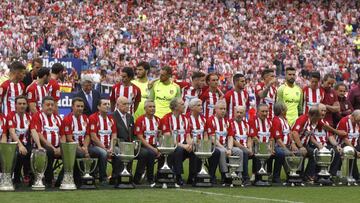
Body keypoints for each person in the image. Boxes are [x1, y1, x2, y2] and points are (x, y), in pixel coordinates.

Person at [291, 105, 345, 183]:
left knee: (315, 153)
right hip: (295, 143)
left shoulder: (316, 120)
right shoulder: (302, 119)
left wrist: (336, 132)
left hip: (304, 144)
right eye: (319, 116)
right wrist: (300, 146)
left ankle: (309, 175)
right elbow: (294, 133)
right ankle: (299, 176)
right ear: (314, 115)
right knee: (305, 153)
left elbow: (325, 127)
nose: (319, 119)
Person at [205, 100, 243, 184]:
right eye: (221, 109)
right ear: (215, 109)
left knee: (239, 151)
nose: (223, 111)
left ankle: (238, 173)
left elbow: (230, 137)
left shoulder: (227, 121)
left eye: (224, 109)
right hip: (213, 145)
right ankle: (225, 174)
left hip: (226, 145)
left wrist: (229, 148)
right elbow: (212, 138)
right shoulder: (210, 120)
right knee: (222, 151)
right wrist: (224, 148)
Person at [160, 97, 195, 186]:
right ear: (175, 107)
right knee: (179, 150)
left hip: (183, 144)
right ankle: (178, 175)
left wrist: (190, 144)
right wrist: (183, 146)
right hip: (170, 145)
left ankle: (192, 177)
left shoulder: (185, 119)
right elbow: (168, 137)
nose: (184, 106)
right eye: (182, 104)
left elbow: (187, 136)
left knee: (195, 149)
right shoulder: (166, 118)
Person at [6, 96, 41, 185]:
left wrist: (39, 146)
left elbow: (33, 131)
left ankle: (30, 177)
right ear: (16, 105)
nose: (22, 106)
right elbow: (12, 132)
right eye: (20, 104)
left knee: (34, 153)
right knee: (19, 153)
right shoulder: (11, 115)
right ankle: (16, 178)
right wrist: (20, 145)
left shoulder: (29, 117)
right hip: (13, 144)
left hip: (26, 143)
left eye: (24, 104)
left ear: (27, 105)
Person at [29, 96, 62, 187]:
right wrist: (53, 147)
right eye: (48, 105)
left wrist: (61, 147)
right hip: (42, 146)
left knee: (74, 152)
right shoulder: (37, 116)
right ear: (42, 106)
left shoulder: (58, 118)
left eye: (52, 105)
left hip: (58, 147)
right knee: (49, 152)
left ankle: (62, 180)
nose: (50, 107)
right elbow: (39, 135)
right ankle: (48, 180)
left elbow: (63, 135)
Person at [187, 98, 220, 184]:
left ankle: (211, 175)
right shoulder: (186, 118)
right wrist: (195, 143)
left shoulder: (204, 119)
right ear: (192, 107)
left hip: (202, 143)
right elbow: (187, 135)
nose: (201, 107)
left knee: (216, 152)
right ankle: (193, 176)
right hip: (190, 143)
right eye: (199, 105)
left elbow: (206, 134)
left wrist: (205, 144)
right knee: (195, 150)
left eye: (201, 105)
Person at [249, 103, 283, 183]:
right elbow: (253, 137)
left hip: (267, 146)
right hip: (256, 145)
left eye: (266, 111)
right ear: (257, 112)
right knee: (260, 152)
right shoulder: (252, 120)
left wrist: (270, 147)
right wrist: (264, 147)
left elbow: (271, 137)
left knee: (280, 154)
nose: (265, 113)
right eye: (262, 111)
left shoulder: (269, 122)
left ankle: (274, 176)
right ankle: (257, 176)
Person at [60, 97, 90, 186]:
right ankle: (78, 179)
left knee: (100, 153)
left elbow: (88, 135)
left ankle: (98, 178)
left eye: (82, 106)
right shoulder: (67, 119)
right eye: (78, 106)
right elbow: (69, 138)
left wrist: (85, 147)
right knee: (79, 154)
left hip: (84, 146)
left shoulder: (85, 118)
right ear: (72, 107)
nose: (80, 108)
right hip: (71, 147)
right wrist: (81, 149)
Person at [88, 98, 117, 185]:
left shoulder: (111, 119)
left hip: (109, 146)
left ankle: (115, 177)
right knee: (103, 153)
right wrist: (105, 149)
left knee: (119, 152)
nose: (107, 106)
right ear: (98, 107)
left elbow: (114, 135)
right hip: (94, 147)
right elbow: (93, 137)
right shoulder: (93, 118)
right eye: (104, 104)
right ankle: (103, 178)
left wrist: (111, 147)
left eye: (108, 104)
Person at [133, 99, 160, 187]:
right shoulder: (140, 120)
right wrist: (153, 149)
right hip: (142, 146)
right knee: (149, 153)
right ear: (145, 108)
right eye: (150, 107)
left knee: (167, 153)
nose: (152, 108)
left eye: (154, 107)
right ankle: (147, 178)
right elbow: (140, 138)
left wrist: (159, 149)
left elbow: (160, 136)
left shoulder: (158, 120)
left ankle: (161, 176)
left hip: (155, 146)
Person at [111, 96, 135, 183]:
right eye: (124, 104)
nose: (127, 106)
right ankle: (116, 177)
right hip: (117, 144)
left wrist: (133, 143)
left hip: (129, 144)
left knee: (143, 152)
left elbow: (133, 133)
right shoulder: (112, 117)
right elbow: (112, 135)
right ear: (117, 105)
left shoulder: (130, 117)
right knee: (119, 151)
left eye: (128, 104)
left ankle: (131, 176)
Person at [229, 105, 252, 185]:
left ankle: (258, 176)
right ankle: (245, 177)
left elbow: (249, 138)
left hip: (245, 147)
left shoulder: (246, 125)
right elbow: (233, 140)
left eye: (241, 113)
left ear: (244, 114)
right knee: (244, 153)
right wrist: (244, 148)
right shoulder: (230, 123)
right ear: (234, 113)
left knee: (256, 154)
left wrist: (250, 148)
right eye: (237, 112)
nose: (239, 114)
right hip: (235, 147)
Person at [337, 110, 360, 181]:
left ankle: (355, 175)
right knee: (352, 153)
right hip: (343, 145)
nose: (358, 122)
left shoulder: (358, 122)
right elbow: (345, 139)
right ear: (352, 117)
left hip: (355, 144)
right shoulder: (344, 121)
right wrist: (355, 151)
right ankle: (355, 176)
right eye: (357, 120)